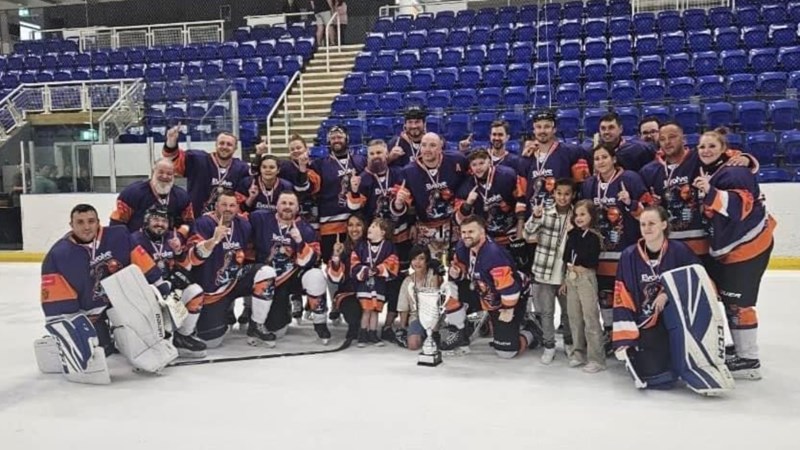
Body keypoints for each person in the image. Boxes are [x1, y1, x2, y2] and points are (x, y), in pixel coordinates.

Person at [37, 204, 175, 383]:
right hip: (91, 313)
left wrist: (159, 284)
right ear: (71, 225)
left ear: (98, 222)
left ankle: (137, 343)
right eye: (80, 222)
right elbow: (59, 306)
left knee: (144, 306)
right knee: (102, 350)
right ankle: (57, 346)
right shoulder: (58, 256)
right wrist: (72, 329)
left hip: (118, 302)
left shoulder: (119, 236)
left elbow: (140, 261)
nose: (86, 227)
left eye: (91, 221)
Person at [613, 206, 733, 395]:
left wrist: (667, 293)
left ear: (663, 224)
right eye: (643, 224)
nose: (647, 228)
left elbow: (698, 280)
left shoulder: (679, 251)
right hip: (647, 321)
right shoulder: (629, 255)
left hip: (680, 320)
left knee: (681, 352)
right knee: (657, 377)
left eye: (652, 223)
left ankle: (697, 363)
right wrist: (625, 339)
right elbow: (623, 296)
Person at [694, 128, 776, 380]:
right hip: (736, 246)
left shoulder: (734, 172)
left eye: (712, 146)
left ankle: (749, 359)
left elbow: (739, 208)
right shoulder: (718, 169)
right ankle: (742, 349)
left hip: (748, 245)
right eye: (702, 146)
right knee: (731, 300)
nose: (706, 150)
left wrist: (710, 192)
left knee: (739, 303)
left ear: (723, 148)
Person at [639, 122, 756, 258]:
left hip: (704, 242)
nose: (667, 142)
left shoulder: (699, 156)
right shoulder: (649, 171)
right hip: (671, 244)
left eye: (672, 137)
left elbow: (728, 156)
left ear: (683, 139)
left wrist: (746, 159)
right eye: (662, 139)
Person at [185, 189, 278, 348]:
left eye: (232, 205)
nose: (228, 209)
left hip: (235, 280)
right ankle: (220, 313)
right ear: (216, 206)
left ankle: (257, 325)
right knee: (211, 342)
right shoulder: (203, 224)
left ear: (237, 208)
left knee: (266, 273)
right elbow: (192, 259)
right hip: (212, 291)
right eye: (224, 205)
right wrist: (213, 241)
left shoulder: (243, 225)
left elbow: (249, 252)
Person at [582, 144, 652, 353]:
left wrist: (631, 203)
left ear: (614, 159)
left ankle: (635, 334)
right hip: (600, 253)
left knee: (629, 294)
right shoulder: (589, 184)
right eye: (597, 158)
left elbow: (649, 212)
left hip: (626, 250)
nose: (601, 162)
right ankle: (610, 333)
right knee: (605, 296)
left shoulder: (630, 178)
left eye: (604, 157)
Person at [443, 215, 540, 358]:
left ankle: (532, 331)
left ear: (482, 232)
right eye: (463, 232)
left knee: (506, 352)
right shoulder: (462, 246)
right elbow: (463, 268)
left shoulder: (493, 254)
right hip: (483, 289)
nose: (466, 236)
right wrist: (457, 273)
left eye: (471, 232)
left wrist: (508, 309)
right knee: (448, 291)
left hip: (510, 296)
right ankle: (459, 332)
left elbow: (509, 287)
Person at [346, 139, 409, 341]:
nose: (376, 157)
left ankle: (389, 325)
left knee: (397, 282)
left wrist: (399, 205)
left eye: (379, 153)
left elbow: (408, 204)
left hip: (400, 236)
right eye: (372, 154)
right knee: (371, 282)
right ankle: (364, 326)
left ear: (387, 154)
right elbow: (355, 209)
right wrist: (354, 191)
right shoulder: (364, 179)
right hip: (375, 242)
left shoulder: (399, 174)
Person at [250, 192, 331, 343]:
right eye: (284, 203)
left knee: (315, 275)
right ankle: (266, 317)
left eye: (291, 204)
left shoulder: (306, 229)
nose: (287, 207)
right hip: (269, 280)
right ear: (276, 205)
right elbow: (237, 219)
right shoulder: (260, 218)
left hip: (294, 276)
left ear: (297, 208)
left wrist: (299, 242)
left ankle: (320, 323)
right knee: (277, 331)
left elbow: (312, 261)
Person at [130, 205, 206, 357]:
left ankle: (183, 336)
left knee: (195, 291)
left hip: (168, 292)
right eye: (155, 219)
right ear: (146, 221)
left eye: (164, 221)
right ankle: (154, 339)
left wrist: (178, 252)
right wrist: (164, 286)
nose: (160, 224)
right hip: (146, 295)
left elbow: (186, 267)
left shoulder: (172, 237)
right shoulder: (135, 239)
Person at [523, 178, 575, 364]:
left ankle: (569, 343)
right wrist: (535, 217)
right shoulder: (544, 212)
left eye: (567, 194)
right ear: (553, 194)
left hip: (566, 274)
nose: (562, 197)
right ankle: (549, 346)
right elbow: (527, 234)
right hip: (544, 271)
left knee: (569, 312)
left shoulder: (576, 215)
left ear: (572, 195)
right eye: (559, 193)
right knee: (546, 312)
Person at [393, 132, 467, 260]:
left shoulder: (457, 160)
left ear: (440, 147)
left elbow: (470, 180)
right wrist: (399, 204)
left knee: (457, 264)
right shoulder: (409, 171)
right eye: (424, 145)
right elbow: (403, 206)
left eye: (432, 145)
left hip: (454, 225)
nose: (427, 149)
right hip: (426, 228)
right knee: (428, 266)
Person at [162, 125, 250, 217]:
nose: (224, 147)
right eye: (221, 143)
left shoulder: (242, 168)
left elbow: (248, 196)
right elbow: (173, 159)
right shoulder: (198, 160)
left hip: (228, 220)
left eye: (229, 144)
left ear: (235, 148)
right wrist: (171, 141)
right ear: (216, 145)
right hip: (197, 219)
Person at [308, 125, 367, 262]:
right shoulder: (319, 164)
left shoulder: (360, 160)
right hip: (330, 225)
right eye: (333, 138)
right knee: (333, 262)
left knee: (359, 262)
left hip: (356, 224)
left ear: (347, 139)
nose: (336, 140)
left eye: (339, 137)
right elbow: (309, 189)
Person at [561, 199, 605, 372]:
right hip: (571, 277)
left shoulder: (594, 237)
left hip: (585, 278)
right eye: (576, 215)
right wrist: (565, 279)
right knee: (574, 317)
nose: (578, 218)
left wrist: (573, 234)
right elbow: (566, 256)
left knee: (590, 318)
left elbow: (588, 259)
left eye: (583, 214)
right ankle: (578, 353)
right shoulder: (573, 235)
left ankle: (597, 359)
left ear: (591, 216)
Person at [456, 148, 526, 245]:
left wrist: (519, 234)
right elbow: (458, 220)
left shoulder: (507, 176)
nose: (478, 168)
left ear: (489, 161)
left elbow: (522, 201)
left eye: (481, 163)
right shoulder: (467, 186)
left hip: (511, 233)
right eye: (474, 164)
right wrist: (467, 204)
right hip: (485, 238)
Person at [521, 111, 591, 209]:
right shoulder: (527, 157)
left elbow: (585, 182)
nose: (542, 131)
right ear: (534, 130)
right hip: (534, 215)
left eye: (547, 127)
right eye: (538, 127)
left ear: (554, 129)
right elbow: (522, 194)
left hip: (561, 215)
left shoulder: (571, 152)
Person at [351, 218, 399, 347]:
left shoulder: (388, 246)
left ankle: (373, 334)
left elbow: (393, 262)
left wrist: (379, 269)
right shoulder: (361, 245)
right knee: (366, 309)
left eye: (373, 226)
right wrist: (365, 270)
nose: (369, 229)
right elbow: (354, 262)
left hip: (379, 284)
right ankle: (362, 334)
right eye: (370, 226)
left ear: (383, 232)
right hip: (365, 284)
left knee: (375, 310)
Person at [110, 158, 194, 232]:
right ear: (153, 172)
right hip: (136, 243)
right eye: (161, 172)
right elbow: (117, 224)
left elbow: (189, 223)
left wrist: (180, 235)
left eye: (169, 174)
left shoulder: (182, 196)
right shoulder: (133, 192)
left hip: (170, 243)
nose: (165, 176)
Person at [326, 214, 367, 341]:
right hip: (348, 293)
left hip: (368, 292)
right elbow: (335, 278)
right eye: (350, 225)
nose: (354, 229)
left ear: (365, 227)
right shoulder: (342, 248)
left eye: (358, 225)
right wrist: (336, 256)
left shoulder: (373, 246)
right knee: (353, 317)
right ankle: (354, 324)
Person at [396, 245, 443, 350]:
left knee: (439, 343)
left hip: (434, 316)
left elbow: (436, 297)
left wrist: (436, 273)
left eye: (421, 258)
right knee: (413, 345)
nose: (417, 262)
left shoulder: (434, 276)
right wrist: (403, 328)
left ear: (427, 260)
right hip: (416, 317)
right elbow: (403, 307)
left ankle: (431, 335)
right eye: (414, 259)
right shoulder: (407, 281)